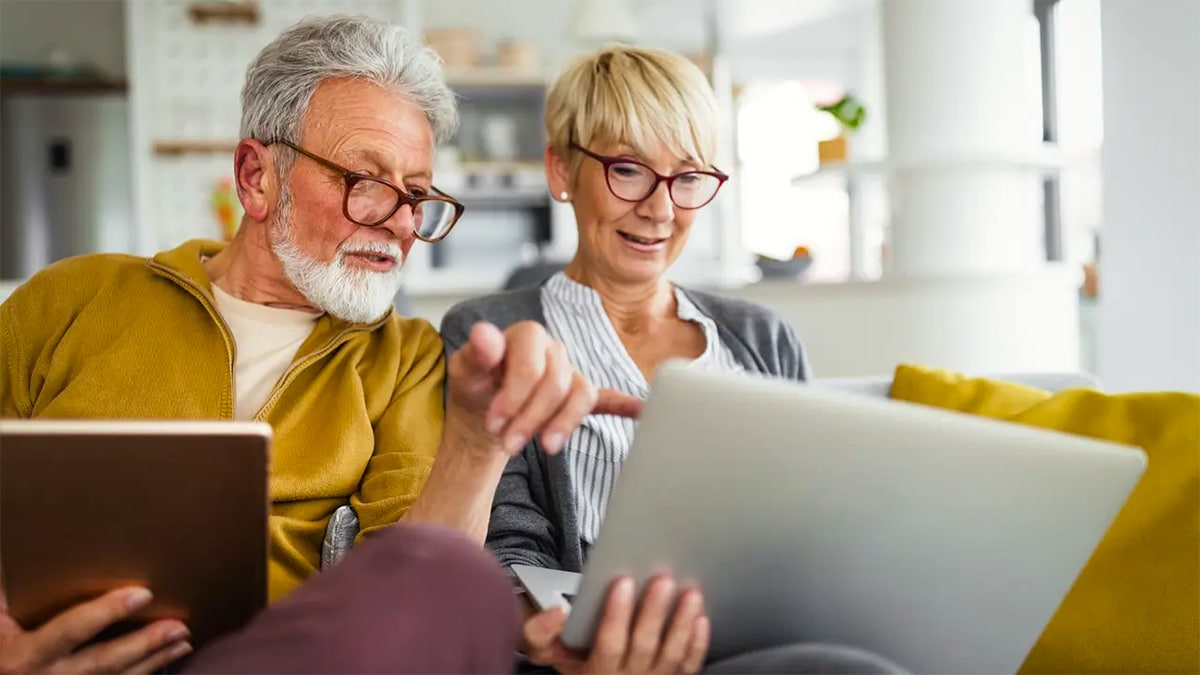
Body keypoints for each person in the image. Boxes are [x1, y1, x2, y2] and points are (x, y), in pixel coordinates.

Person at [0, 16, 642, 674]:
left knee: (464, 582)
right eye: (364, 181)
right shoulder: (73, 298)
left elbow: (419, 595)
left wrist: (479, 440)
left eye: (416, 194)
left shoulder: (405, 358)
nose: (398, 222)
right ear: (256, 176)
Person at [440, 45, 904, 674]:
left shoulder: (762, 338)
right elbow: (506, 557)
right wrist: (558, 634)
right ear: (561, 171)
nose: (661, 209)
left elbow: (812, 519)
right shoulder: (492, 333)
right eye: (628, 169)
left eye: (687, 178)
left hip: (757, 638)